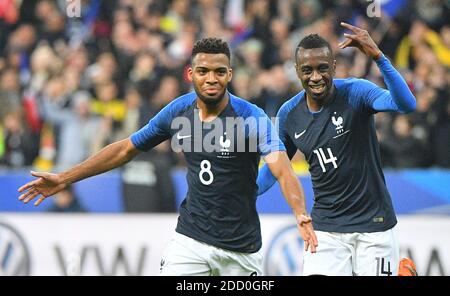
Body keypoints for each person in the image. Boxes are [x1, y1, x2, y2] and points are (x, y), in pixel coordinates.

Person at [17, 38, 317, 276]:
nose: (211, 78)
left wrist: (300, 213)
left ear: (230, 74)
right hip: (190, 242)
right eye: (203, 71)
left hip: (242, 250)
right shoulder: (178, 111)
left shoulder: (252, 117)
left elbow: (282, 168)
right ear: (191, 74)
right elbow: (125, 149)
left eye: (219, 71)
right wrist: (65, 177)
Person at [256, 23, 417, 276]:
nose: (315, 76)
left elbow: (406, 104)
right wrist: (242, 193)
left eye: (322, 68)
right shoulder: (289, 114)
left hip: (373, 224)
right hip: (326, 228)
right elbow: (276, 168)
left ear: (333, 67)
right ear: (297, 71)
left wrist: (378, 56)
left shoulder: (355, 92)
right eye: (307, 70)